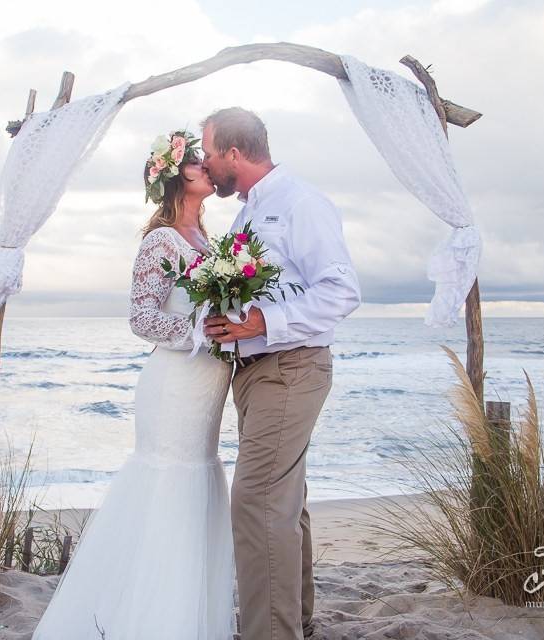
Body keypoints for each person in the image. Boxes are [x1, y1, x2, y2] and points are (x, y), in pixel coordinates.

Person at [31, 130, 237, 639]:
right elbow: (141, 317)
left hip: (208, 384)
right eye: (194, 162)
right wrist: (197, 332)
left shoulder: (209, 243)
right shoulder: (160, 241)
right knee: (168, 482)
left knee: (199, 480)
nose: (205, 166)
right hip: (174, 384)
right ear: (173, 179)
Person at [201, 107, 362, 640]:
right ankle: (300, 621)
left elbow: (341, 290)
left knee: (257, 500)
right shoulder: (247, 213)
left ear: (234, 153)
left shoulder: (301, 203)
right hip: (255, 372)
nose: (205, 163)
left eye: (208, 152)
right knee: (282, 498)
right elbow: (264, 290)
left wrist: (261, 321)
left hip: (291, 367)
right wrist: (227, 323)